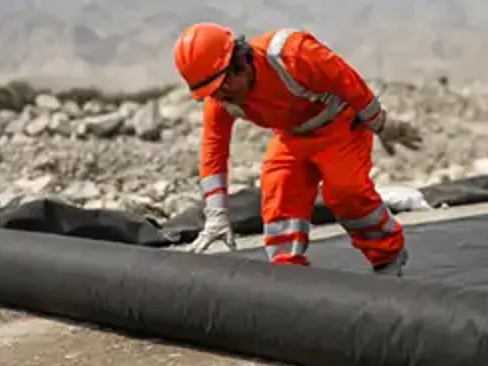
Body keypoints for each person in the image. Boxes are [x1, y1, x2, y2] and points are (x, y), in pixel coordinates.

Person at [173, 23, 423, 274]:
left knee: (347, 193)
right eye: (212, 93)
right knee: (279, 195)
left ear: (240, 62)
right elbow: (213, 148)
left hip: (338, 126)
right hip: (291, 137)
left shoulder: (293, 55)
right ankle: (289, 273)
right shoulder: (221, 99)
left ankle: (388, 256)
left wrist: (381, 124)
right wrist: (216, 213)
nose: (219, 98)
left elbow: (347, 81)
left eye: (222, 88)